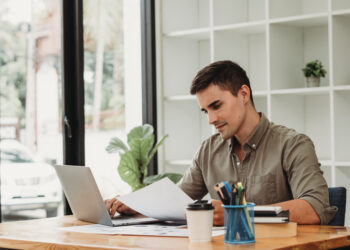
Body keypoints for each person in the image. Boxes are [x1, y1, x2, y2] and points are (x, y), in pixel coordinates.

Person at [105, 60, 337, 226]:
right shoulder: (208, 151)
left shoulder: (293, 145)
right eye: (205, 111)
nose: (210, 119)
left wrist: (236, 214)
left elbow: (315, 208)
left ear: (243, 94)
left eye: (216, 106)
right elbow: (176, 201)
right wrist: (134, 204)